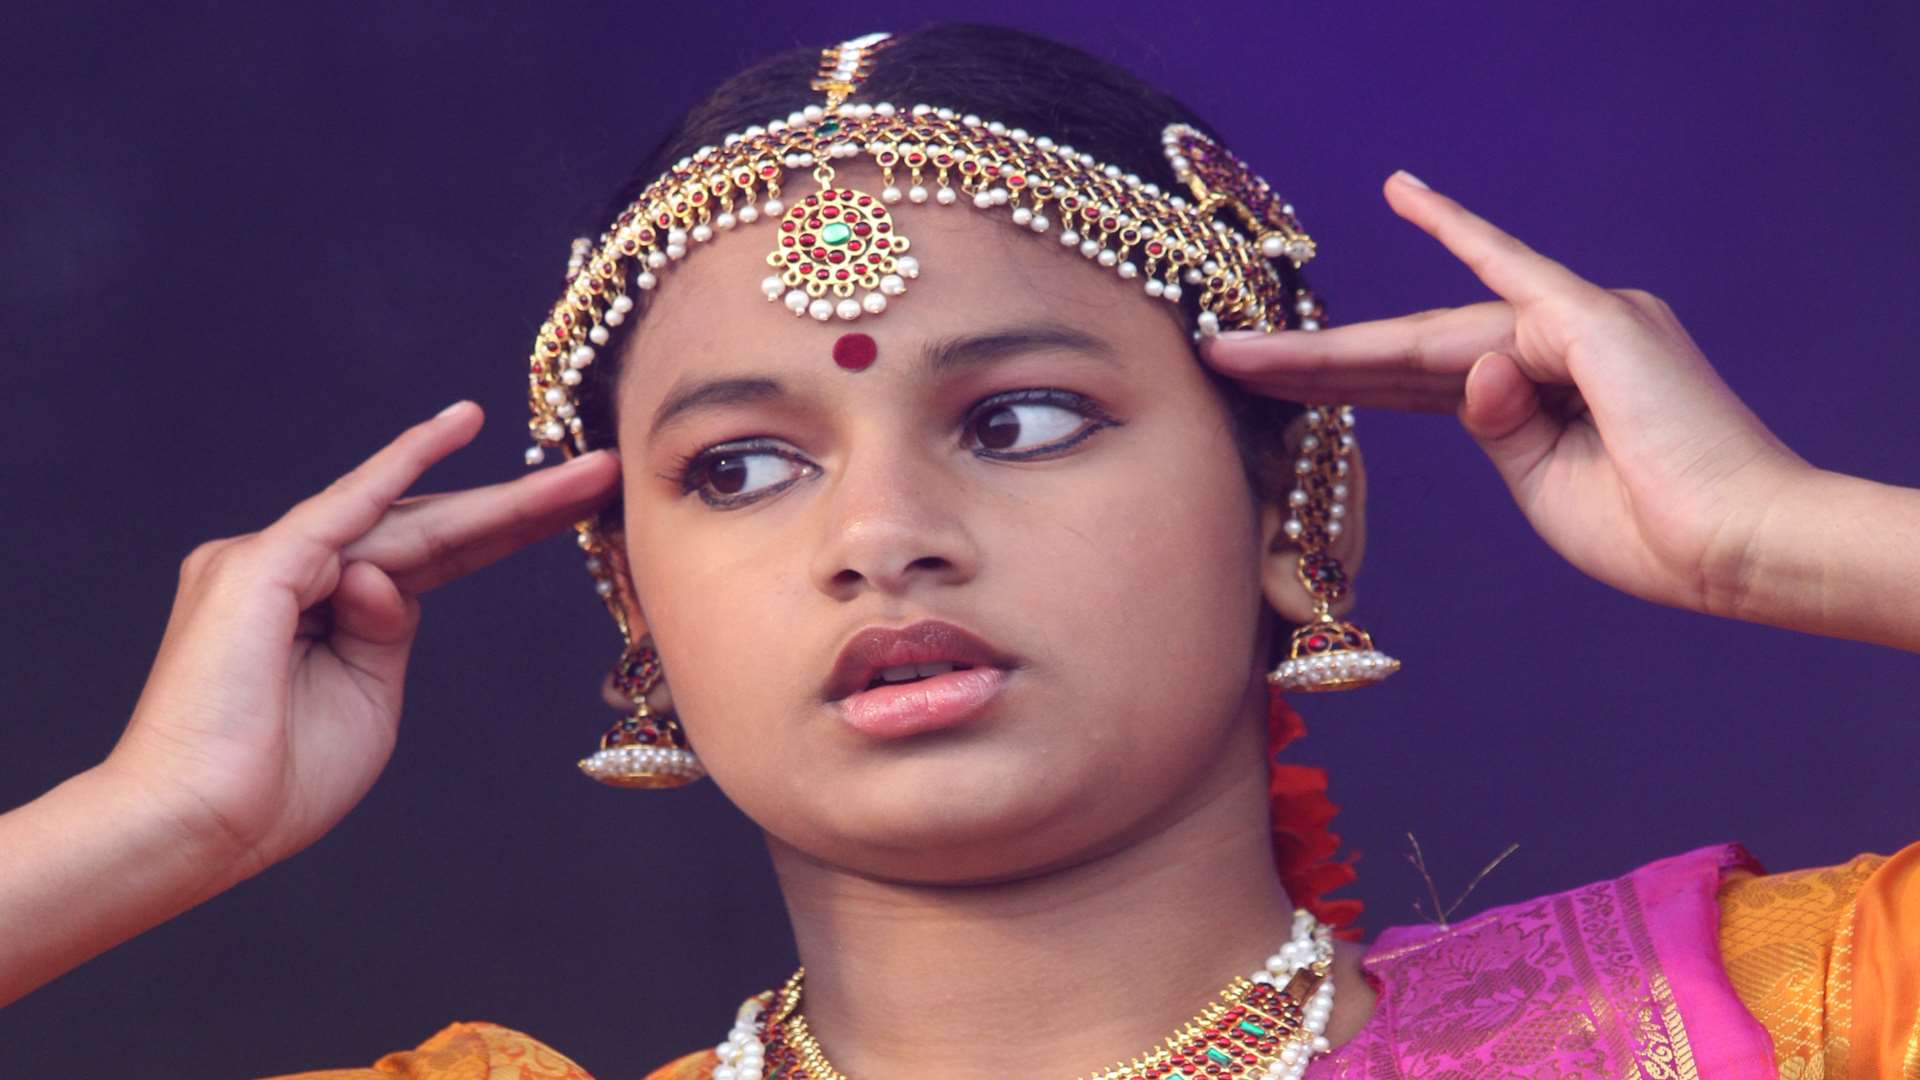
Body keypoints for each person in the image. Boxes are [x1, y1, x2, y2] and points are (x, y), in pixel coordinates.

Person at [1, 22, 1915, 1079]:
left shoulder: (1774, 1016)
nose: (882, 537)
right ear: (636, 609)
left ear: (1282, 511)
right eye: (740, 468)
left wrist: (1783, 540)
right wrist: (152, 821)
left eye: (1016, 423)